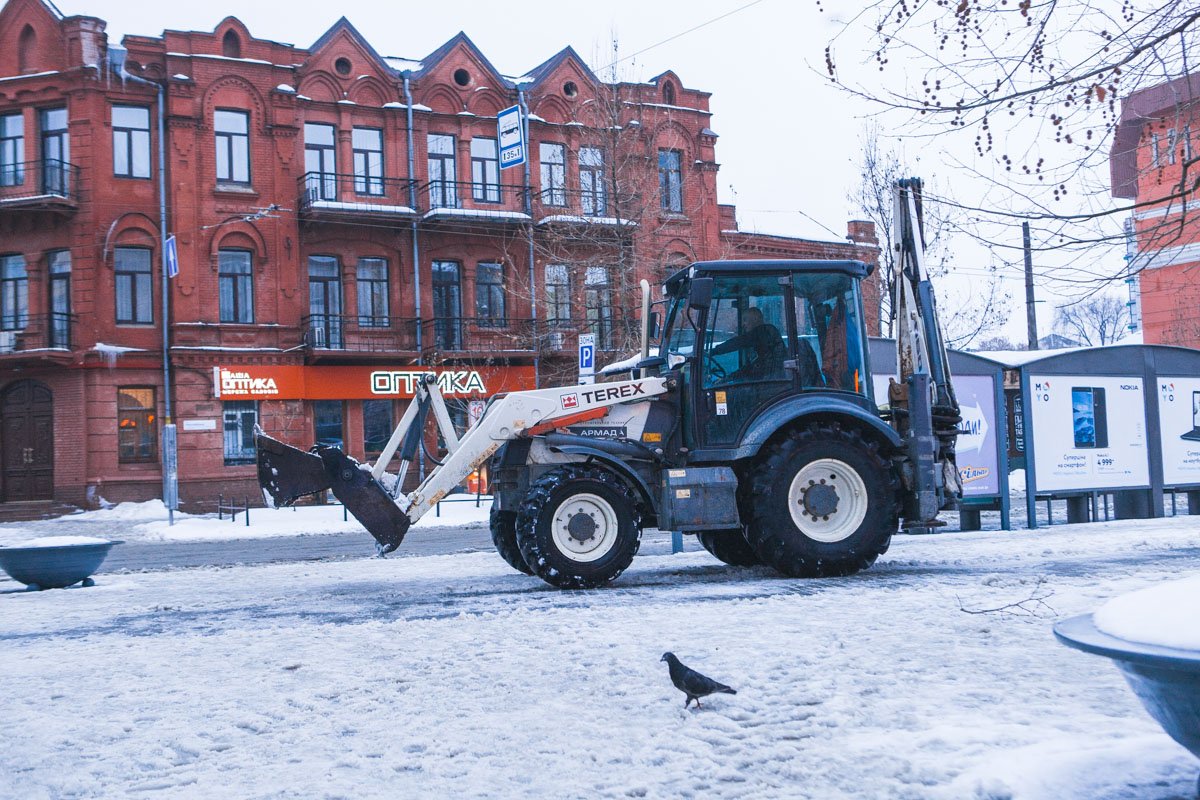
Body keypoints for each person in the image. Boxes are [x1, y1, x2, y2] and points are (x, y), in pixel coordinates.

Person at [711, 306, 785, 382]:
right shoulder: (761, 352)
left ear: (756, 319)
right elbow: (748, 369)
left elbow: (738, 342)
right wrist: (726, 379)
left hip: (772, 385)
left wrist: (713, 351)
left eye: (745, 320)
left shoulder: (766, 331)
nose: (743, 324)